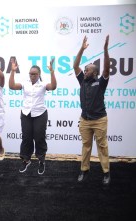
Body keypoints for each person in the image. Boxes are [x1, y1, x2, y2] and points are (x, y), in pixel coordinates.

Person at [73, 35, 111, 186]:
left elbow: (107, 69)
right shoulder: (82, 80)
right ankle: (84, 170)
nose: (84, 70)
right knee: (86, 146)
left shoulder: (101, 82)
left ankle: (106, 173)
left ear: (94, 73)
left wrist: (105, 50)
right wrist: (82, 49)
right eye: (85, 69)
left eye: (87, 69)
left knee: (102, 146)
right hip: (85, 120)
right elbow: (75, 66)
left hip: (100, 120)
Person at [9, 58, 57, 175]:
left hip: (40, 113)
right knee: (26, 137)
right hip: (26, 113)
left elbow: (53, 86)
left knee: (39, 137)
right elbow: (11, 86)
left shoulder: (43, 84)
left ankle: (41, 161)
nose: (32, 76)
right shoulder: (25, 83)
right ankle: (26, 160)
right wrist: (13, 71)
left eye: (35, 74)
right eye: (31, 74)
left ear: (39, 74)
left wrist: (52, 72)